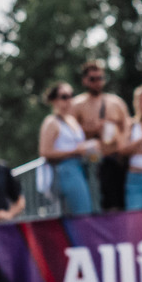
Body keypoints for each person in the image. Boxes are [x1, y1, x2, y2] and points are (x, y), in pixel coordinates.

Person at [71, 60, 131, 211]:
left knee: (123, 203)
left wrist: (121, 144)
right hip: (94, 162)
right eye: (92, 79)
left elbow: (127, 127)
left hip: (118, 159)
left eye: (100, 78)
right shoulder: (77, 104)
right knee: (103, 206)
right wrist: (92, 128)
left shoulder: (116, 102)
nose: (97, 82)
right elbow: (71, 134)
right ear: (85, 80)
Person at [38, 82, 98, 215]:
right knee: (81, 214)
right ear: (54, 100)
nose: (69, 100)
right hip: (64, 171)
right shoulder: (52, 122)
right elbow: (44, 151)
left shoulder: (71, 120)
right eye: (64, 96)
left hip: (79, 169)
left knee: (84, 211)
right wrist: (75, 151)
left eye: (71, 96)